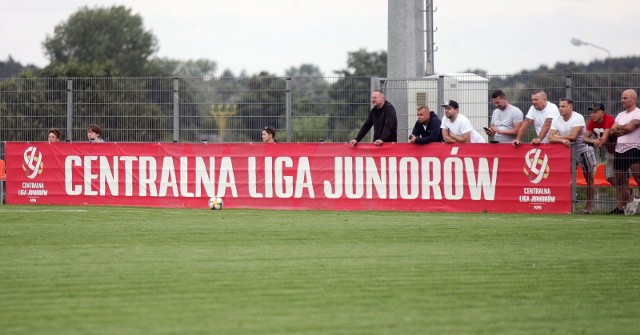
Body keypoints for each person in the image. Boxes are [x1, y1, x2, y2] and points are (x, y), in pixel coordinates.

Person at [549, 98, 596, 214]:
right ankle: (566, 205)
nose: (560, 108)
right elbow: (550, 137)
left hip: (583, 150)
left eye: (563, 106)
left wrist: (558, 138)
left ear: (570, 107)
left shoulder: (578, 117)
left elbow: (573, 136)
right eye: (560, 106)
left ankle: (589, 206)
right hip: (568, 153)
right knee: (565, 177)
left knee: (589, 178)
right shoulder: (556, 119)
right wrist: (562, 141)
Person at [609, 89, 640, 215]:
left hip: (634, 148)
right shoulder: (620, 115)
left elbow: (630, 127)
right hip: (619, 149)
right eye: (622, 98)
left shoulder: (638, 113)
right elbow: (612, 131)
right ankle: (621, 207)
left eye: (625, 98)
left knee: (638, 177)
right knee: (620, 180)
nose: (622, 100)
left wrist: (620, 129)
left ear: (633, 99)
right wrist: (622, 129)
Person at [583, 103, 617, 185]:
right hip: (610, 151)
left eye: (595, 112)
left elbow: (604, 139)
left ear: (602, 113)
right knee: (609, 178)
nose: (592, 115)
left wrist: (599, 141)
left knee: (623, 177)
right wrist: (594, 141)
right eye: (591, 112)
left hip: (620, 151)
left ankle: (626, 194)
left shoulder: (608, 119)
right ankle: (626, 193)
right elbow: (584, 138)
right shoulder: (592, 122)